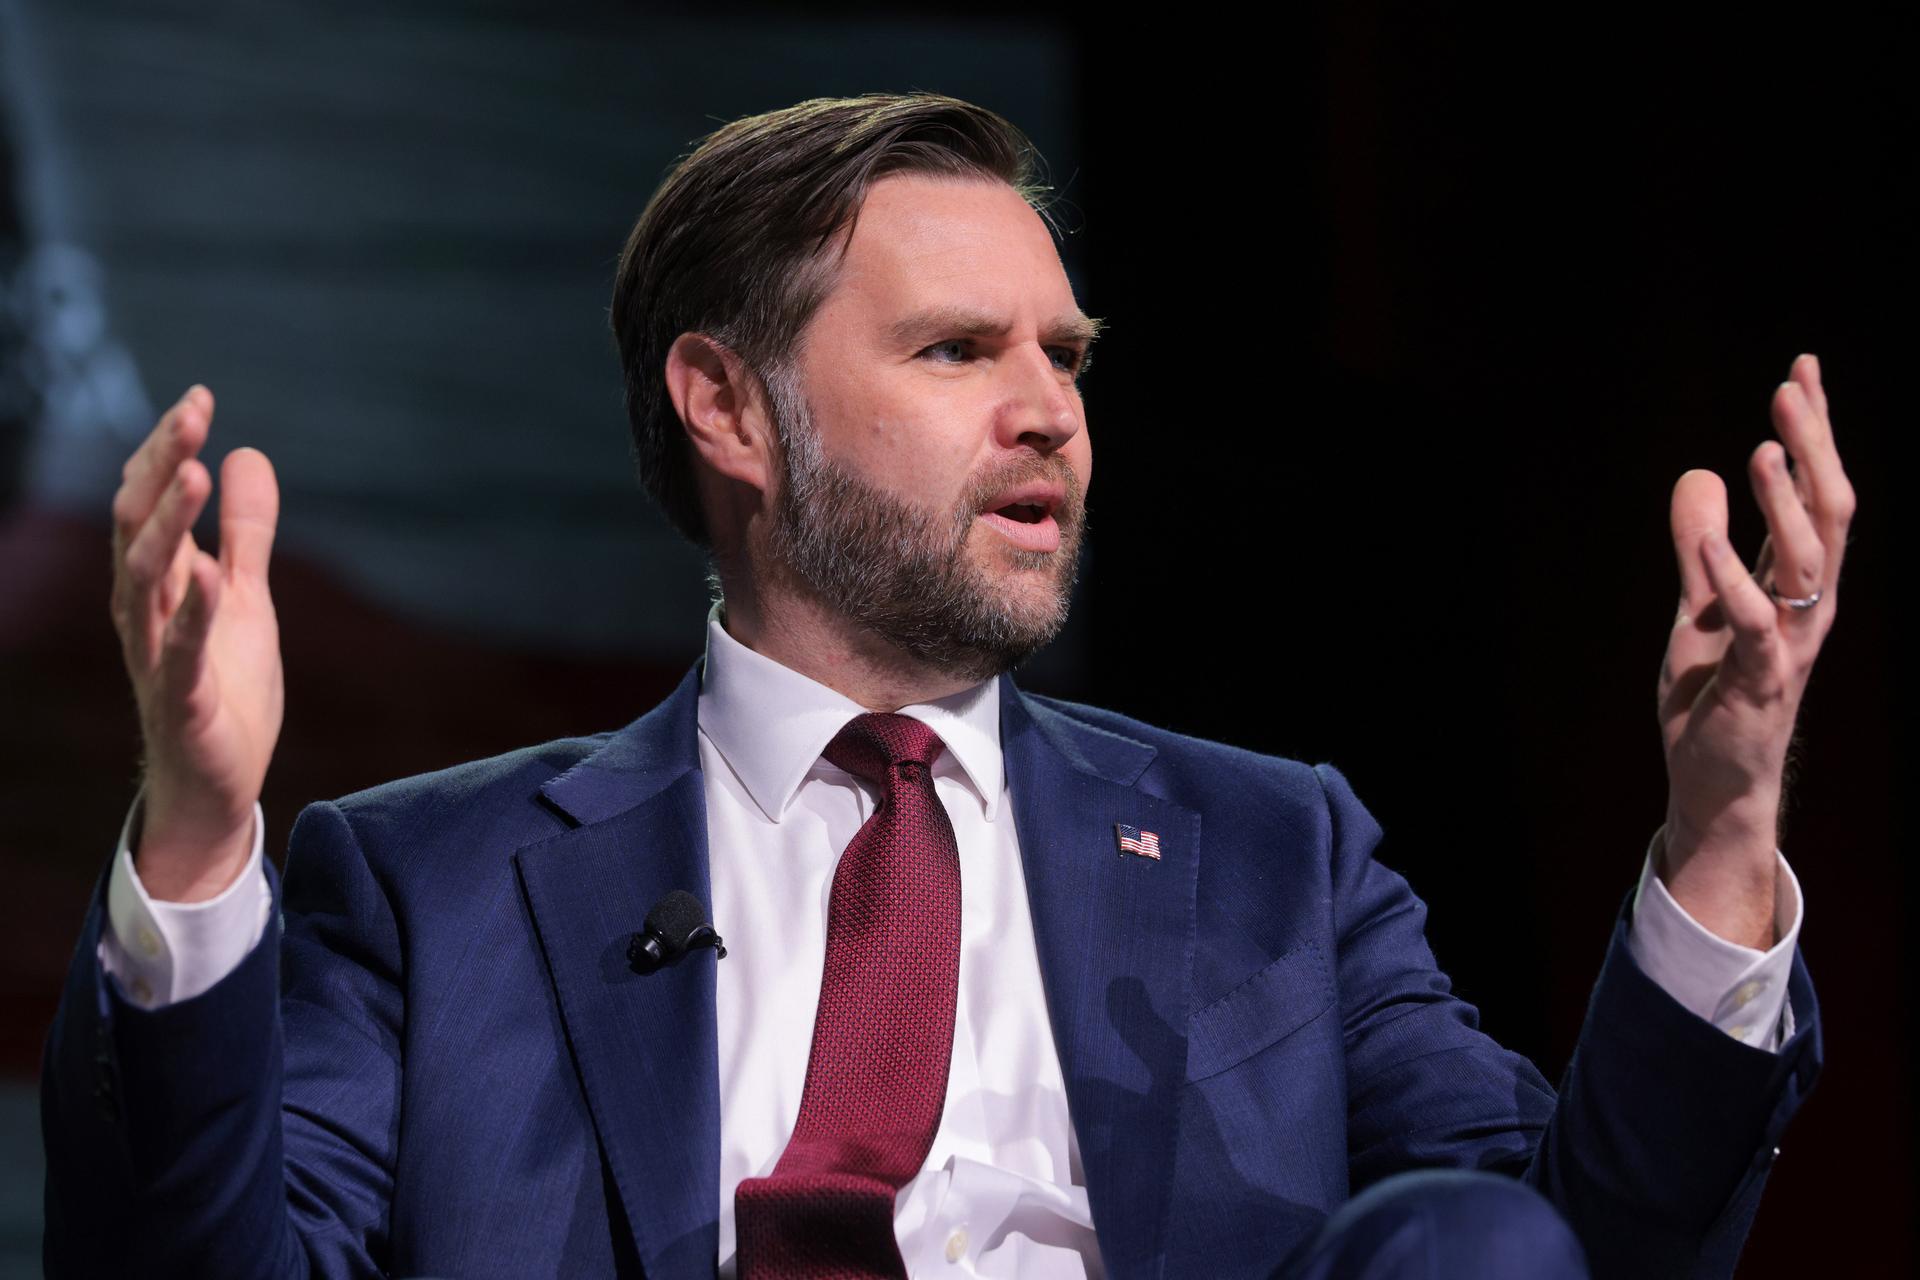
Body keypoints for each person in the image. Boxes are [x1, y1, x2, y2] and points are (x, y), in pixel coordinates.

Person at [40, 93, 1844, 1279]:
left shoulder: (1269, 850)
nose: (1051, 406)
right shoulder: (424, 889)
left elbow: (1581, 1251)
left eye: (1065, 353)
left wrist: (1720, 830)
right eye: (958, 349)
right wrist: (203, 838)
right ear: (730, 408)